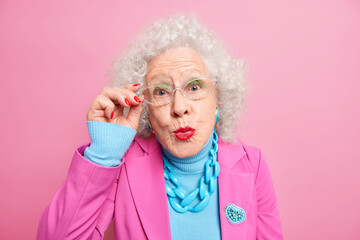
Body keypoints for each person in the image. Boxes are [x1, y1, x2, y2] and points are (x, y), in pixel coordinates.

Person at [37, 14, 283, 240]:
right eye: (162, 91)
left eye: (194, 87)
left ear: (217, 99)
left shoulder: (253, 164)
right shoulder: (123, 166)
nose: (179, 107)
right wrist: (103, 154)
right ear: (147, 111)